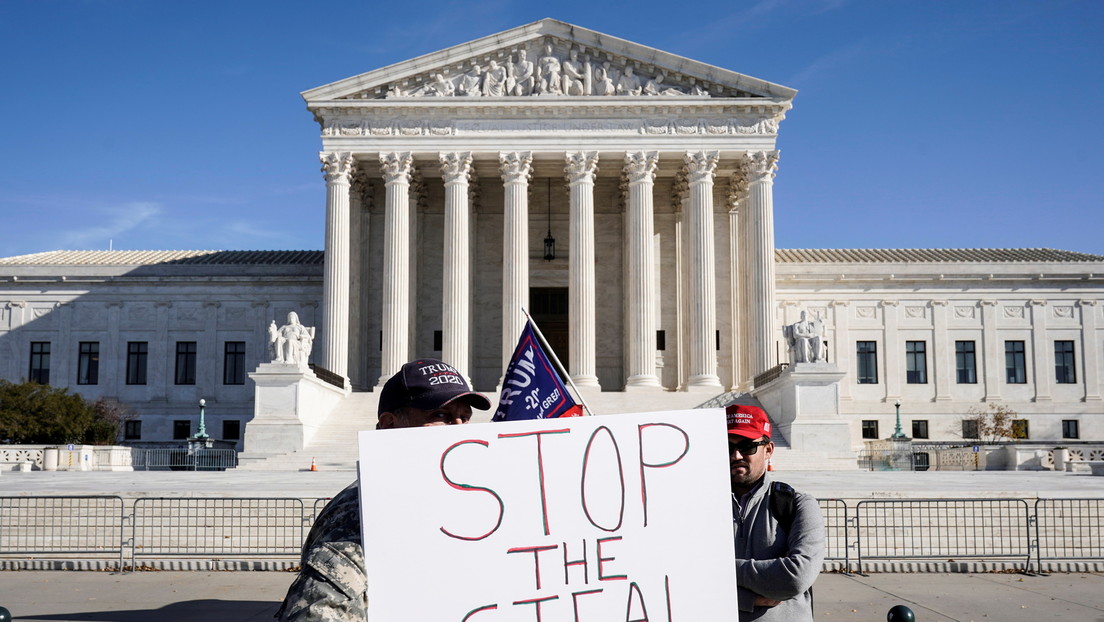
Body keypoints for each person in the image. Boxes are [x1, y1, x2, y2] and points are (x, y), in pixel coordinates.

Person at [275, 358, 491, 621]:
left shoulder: (456, 499)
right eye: (441, 416)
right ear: (389, 424)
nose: (459, 429)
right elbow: (319, 613)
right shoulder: (363, 511)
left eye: (464, 418)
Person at [727, 404, 824, 621]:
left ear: (769, 449)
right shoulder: (702, 508)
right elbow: (684, 578)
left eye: (747, 446)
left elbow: (796, 577)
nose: (736, 455)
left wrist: (720, 570)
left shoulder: (799, 504)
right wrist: (747, 599)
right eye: (727, 447)